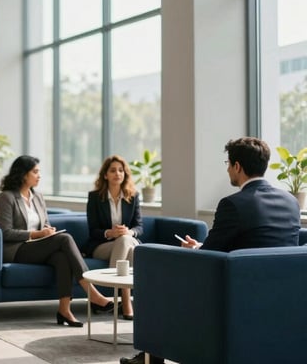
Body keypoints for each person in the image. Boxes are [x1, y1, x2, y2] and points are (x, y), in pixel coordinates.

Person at [121, 136, 301, 364]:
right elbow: (261, 248)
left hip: (234, 294)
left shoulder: (233, 204)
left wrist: (195, 250)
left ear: (237, 166)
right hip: (285, 294)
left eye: (228, 164)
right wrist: (200, 248)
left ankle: (150, 358)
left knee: (166, 283)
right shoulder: (291, 202)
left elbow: (209, 255)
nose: (227, 170)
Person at [0, 155, 114, 327]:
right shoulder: (6, 197)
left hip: (38, 246)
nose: (39, 175)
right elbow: (5, 232)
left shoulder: (38, 197)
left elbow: (45, 223)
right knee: (65, 239)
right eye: (35, 172)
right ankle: (92, 293)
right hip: (17, 249)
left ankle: (64, 310)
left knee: (62, 258)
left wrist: (47, 231)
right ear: (23, 175)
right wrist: (36, 234)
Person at [85, 155, 142, 320]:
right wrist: (110, 233)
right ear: (105, 175)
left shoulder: (133, 196)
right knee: (129, 247)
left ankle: (120, 298)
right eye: (113, 170)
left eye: (120, 170)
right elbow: (92, 230)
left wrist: (129, 232)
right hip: (102, 246)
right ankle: (126, 300)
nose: (117, 173)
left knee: (126, 242)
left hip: (127, 241)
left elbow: (139, 226)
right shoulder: (95, 197)